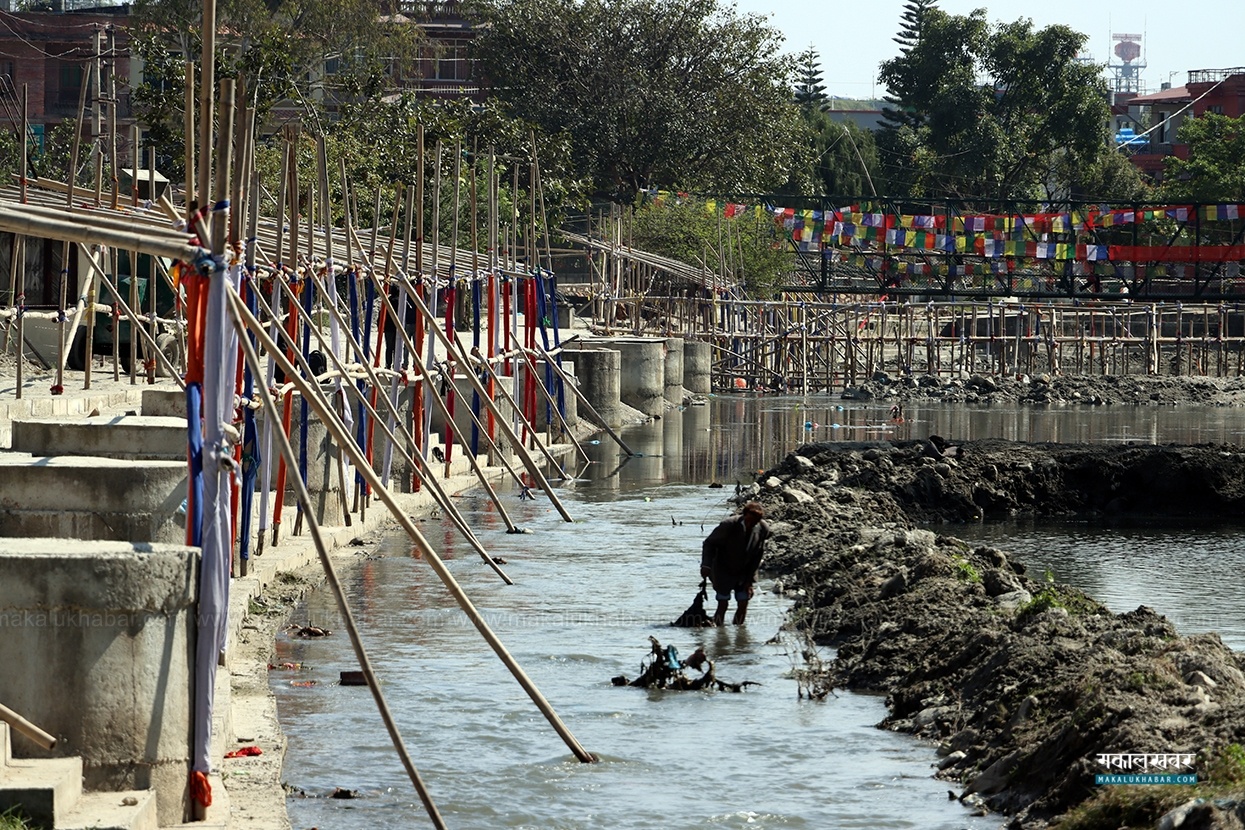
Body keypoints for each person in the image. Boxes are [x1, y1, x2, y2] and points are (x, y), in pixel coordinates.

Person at [699, 502, 769, 626]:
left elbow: (757, 556)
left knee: (743, 603)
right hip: (723, 569)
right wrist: (706, 565)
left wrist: (750, 581)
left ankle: (739, 633)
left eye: (754, 523)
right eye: (749, 521)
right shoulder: (729, 525)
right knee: (723, 603)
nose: (751, 525)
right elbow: (709, 543)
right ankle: (719, 634)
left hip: (744, 572)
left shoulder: (762, 529)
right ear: (745, 515)